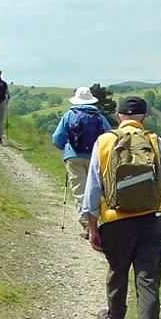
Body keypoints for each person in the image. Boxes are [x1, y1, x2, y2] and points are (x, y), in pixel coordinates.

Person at [81, 96, 161, 319]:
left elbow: (93, 189)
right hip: (152, 220)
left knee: (118, 271)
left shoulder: (105, 142)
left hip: (116, 221)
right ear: (144, 118)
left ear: (118, 117)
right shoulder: (156, 142)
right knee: (148, 279)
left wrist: (91, 225)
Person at [52, 87, 113, 237]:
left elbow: (57, 138)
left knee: (80, 190)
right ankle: (98, 221)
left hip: (73, 157)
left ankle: (86, 224)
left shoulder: (69, 115)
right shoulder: (99, 117)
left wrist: (65, 148)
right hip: (95, 157)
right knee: (95, 190)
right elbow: (110, 137)